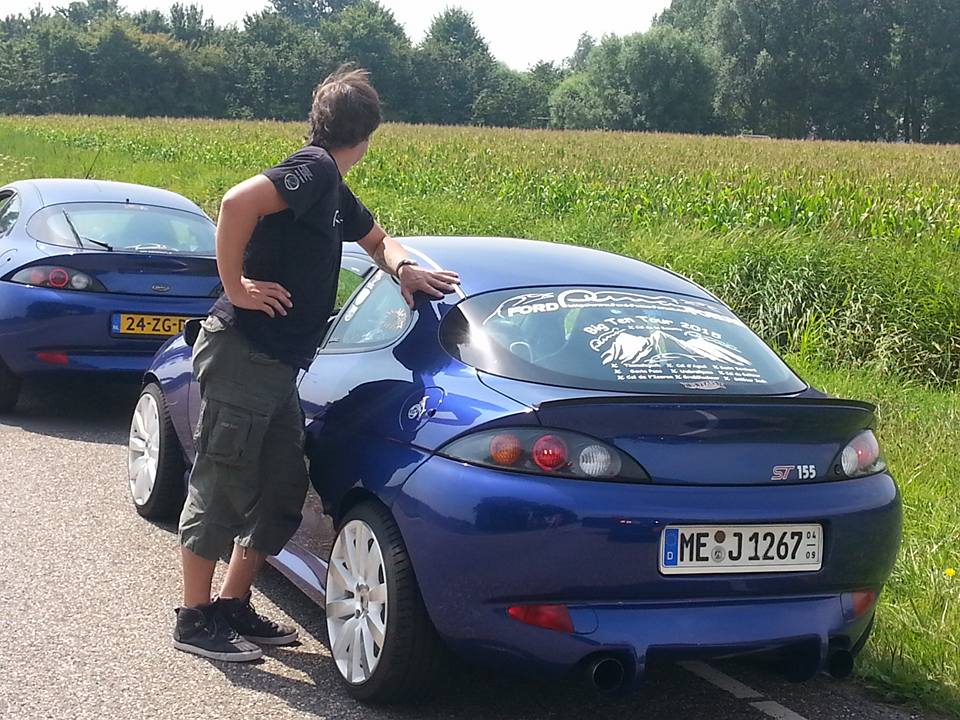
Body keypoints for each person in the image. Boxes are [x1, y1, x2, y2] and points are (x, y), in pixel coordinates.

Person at [172, 65, 460, 662]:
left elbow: (378, 240)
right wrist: (238, 285)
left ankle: (231, 604)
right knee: (222, 483)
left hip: (276, 365)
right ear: (368, 135)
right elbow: (235, 203)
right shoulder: (315, 169)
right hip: (244, 352)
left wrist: (405, 269)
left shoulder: (334, 192)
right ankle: (194, 620)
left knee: (281, 489)